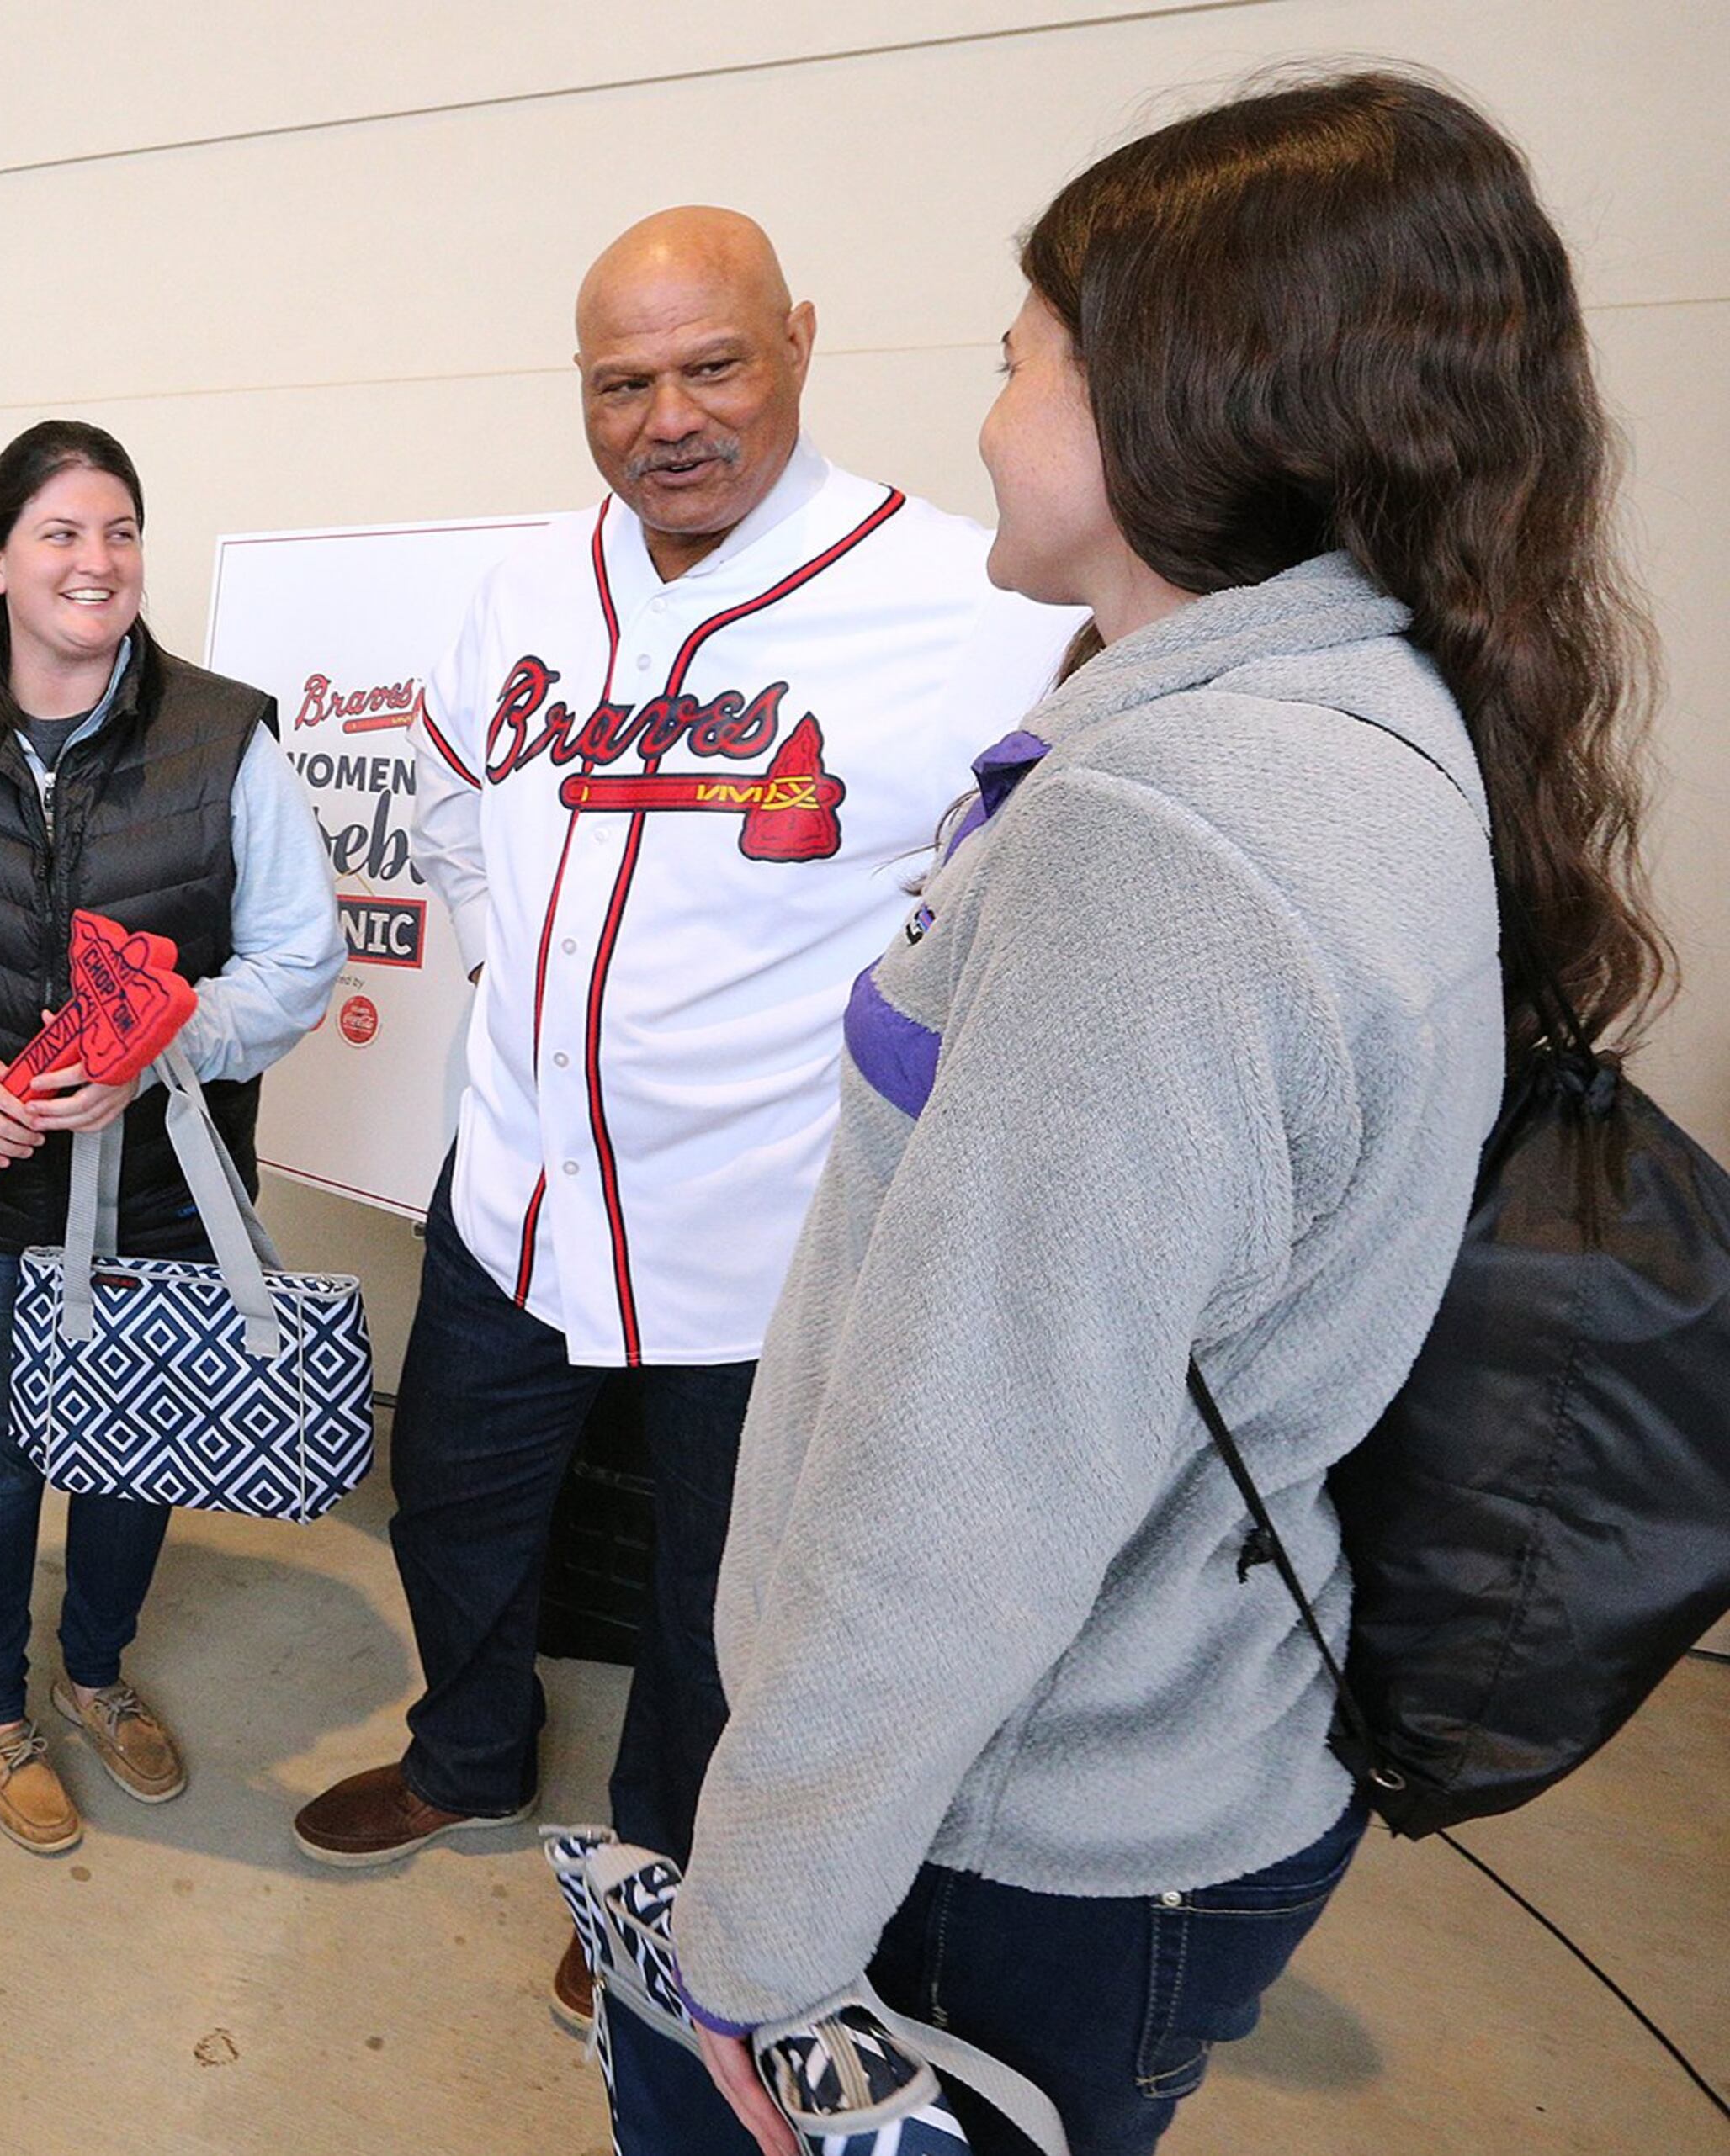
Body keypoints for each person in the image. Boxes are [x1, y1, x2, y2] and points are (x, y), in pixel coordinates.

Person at [670, 74, 1665, 2156]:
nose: (986, 410)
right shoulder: (1356, 731)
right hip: (1185, 1767)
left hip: (1001, 1841)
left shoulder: (1159, 842)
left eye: (1021, 351)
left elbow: (965, 1497)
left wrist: (754, 1934)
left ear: (1183, 395)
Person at [289, 205, 1080, 2070]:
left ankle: (661, 1865)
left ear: (799, 341)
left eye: (712, 365)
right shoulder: (532, 586)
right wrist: (534, 992)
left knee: (725, 1588)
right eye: (622, 381)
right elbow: (471, 792)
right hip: (517, 1181)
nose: (670, 417)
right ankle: (463, 1752)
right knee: (460, 1500)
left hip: (768, 1221)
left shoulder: (971, 603)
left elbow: (1019, 903)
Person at [0, 418, 342, 1855]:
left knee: (137, 1445)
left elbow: (298, 965)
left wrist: (160, 1047)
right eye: (60, 532)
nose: (96, 559)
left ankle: (97, 1672)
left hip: (166, 1179)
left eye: (118, 530)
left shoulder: (221, 734)